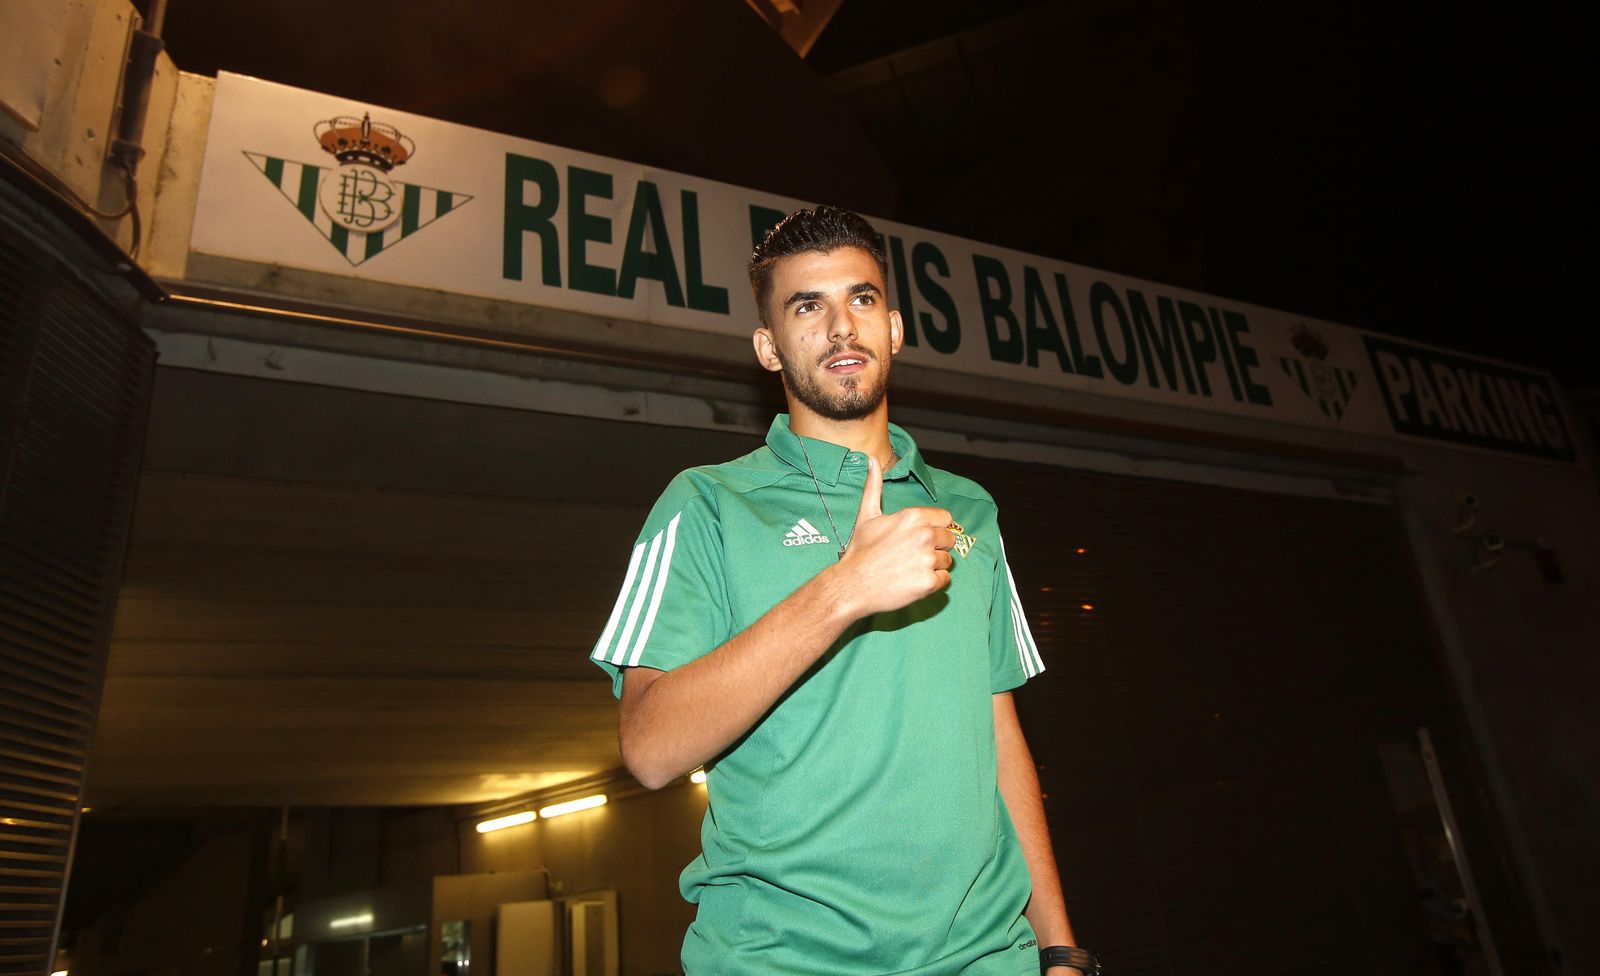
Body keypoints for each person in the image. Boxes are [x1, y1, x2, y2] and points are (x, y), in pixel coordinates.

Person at [590, 206, 1096, 976]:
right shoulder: (706, 506)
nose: (840, 327)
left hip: (989, 958)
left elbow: (998, 734)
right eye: (807, 306)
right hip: (784, 962)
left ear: (894, 328)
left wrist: (1059, 946)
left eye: (860, 300)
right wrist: (843, 591)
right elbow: (651, 749)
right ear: (768, 347)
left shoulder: (970, 512)